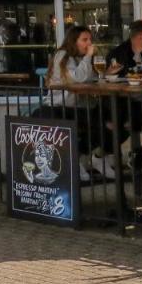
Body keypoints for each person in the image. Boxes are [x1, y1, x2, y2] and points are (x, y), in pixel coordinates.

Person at [46, 26, 111, 181]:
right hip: (62, 106)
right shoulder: (62, 55)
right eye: (84, 40)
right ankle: (75, 159)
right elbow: (77, 79)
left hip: (82, 105)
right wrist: (88, 57)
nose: (89, 43)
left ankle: (78, 156)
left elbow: (90, 80)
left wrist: (106, 73)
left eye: (90, 40)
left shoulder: (81, 57)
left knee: (114, 122)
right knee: (104, 124)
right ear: (73, 41)